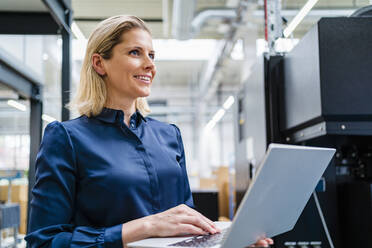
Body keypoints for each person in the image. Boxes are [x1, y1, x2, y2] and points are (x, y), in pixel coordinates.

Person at [25, 15, 273, 247]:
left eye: (152, 55)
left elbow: (184, 225)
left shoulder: (169, 136)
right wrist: (144, 227)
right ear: (99, 63)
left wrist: (228, 241)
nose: (149, 65)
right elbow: (44, 241)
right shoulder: (67, 137)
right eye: (135, 53)